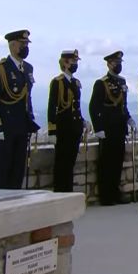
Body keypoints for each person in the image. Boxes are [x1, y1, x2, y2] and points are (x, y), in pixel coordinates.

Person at [0, 30, 40, 189]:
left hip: (22, 126)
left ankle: (16, 204)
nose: (25, 47)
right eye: (22, 44)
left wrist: (30, 119)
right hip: (6, 126)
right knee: (3, 169)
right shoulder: (1, 68)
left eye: (26, 44)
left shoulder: (28, 68)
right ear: (13, 45)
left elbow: (27, 97)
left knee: (18, 169)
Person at [89, 51, 134, 205]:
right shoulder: (101, 83)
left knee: (117, 161)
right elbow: (94, 107)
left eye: (120, 62)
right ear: (108, 64)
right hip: (107, 128)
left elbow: (123, 105)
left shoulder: (122, 81)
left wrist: (128, 118)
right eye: (115, 62)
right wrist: (98, 127)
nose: (118, 65)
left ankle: (115, 192)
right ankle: (106, 196)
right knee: (106, 162)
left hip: (120, 127)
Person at [47, 50, 87, 192]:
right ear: (65, 63)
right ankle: (60, 191)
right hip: (63, 128)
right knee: (62, 163)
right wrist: (52, 130)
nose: (75, 65)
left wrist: (82, 120)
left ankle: (68, 191)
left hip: (74, 128)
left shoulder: (75, 83)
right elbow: (52, 106)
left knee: (70, 162)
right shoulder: (57, 82)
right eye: (73, 62)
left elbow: (76, 105)